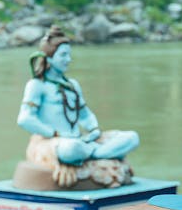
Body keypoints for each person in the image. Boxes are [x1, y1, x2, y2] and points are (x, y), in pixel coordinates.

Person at [17, 28, 139, 186]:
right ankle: (99, 154)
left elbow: (84, 114)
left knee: (131, 138)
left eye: (69, 55)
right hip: (54, 143)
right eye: (63, 55)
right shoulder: (37, 85)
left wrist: (93, 129)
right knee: (72, 149)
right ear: (48, 58)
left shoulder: (72, 85)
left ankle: (94, 154)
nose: (68, 59)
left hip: (81, 139)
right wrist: (54, 133)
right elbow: (24, 119)